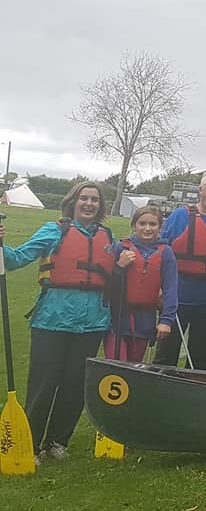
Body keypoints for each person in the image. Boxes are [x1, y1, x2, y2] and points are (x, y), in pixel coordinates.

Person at [0, 182, 112, 462]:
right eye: (84, 198)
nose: (89, 203)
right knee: (44, 384)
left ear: (101, 206)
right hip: (52, 320)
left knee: (75, 385)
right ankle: (32, 443)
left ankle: (57, 441)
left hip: (93, 322)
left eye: (94, 199)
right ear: (73, 202)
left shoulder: (108, 237)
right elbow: (16, 259)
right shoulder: (55, 230)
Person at [155, 170, 206, 370]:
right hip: (178, 298)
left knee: (201, 357)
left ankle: (195, 392)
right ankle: (160, 391)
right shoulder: (180, 216)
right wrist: (158, 289)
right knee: (166, 354)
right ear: (201, 190)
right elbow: (161, 252)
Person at [106, 205, 178, 363]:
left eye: (152, 224)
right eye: (142, 223)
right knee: (114, 367)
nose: (147, 228)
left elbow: (171, 288)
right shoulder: (121, 248)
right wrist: (119, 266)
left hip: (144, 322)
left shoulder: (166, 252)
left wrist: (166, 320)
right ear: (134, 226)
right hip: (117, 320)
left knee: (133, 369)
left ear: (160, 227)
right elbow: (107, 283)